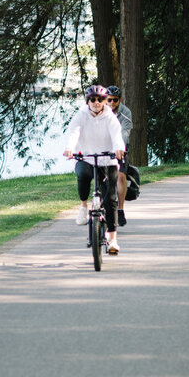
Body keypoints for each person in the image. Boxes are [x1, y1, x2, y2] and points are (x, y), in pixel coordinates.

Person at [64, 85, 126, 254]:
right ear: (88, 101)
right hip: (87, 157)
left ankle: (112, 239)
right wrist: (70, 148)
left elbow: (116, 135)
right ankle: (84, 206)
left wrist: (119, 149)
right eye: (93, 99)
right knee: (83, 174)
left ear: (105, 101)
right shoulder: (81, 115)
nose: (96, 102)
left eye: (100, 100)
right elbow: (73, 132)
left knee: (111, 199)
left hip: (108, 160)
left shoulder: (110, 117)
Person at [107, 86, 132, 227]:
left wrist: (120, 148)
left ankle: (121, 209)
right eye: (109, 100)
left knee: (121, 176)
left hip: (119, 148)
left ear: (119, 100)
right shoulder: (100, 111)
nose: (111, 103)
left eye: (115, 100)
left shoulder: (125, 112)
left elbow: (125, 132)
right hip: (103, 147)